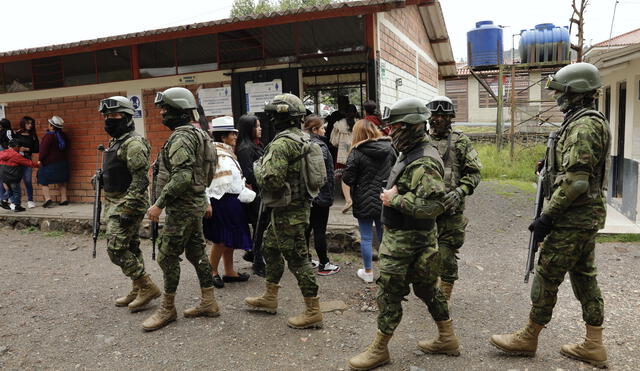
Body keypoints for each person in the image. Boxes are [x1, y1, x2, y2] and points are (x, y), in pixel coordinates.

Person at [490, 62, 611, 369]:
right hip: (584, 217)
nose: (558, 99)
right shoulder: (582, 121)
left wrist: (547, 217)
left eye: (562, 92)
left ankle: (529, 337)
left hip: (572, 218)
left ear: (576, 93)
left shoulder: (583, 126)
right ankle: (594, 345)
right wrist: (549, 168)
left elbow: (578, 181)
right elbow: (573, 170)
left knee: (547, 274)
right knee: (584, 277)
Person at [348, 98, 459, 370]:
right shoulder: (409, 152)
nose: (390, 131)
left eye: (396, 126)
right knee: (426, 289)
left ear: (411, 127)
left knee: (388, 293)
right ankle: (448, 338)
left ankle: (380, 349)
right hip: (409, 239)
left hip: (407, 242)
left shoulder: (423, 161)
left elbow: (434, 205)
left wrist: (394, 200)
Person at [244, 93, 323, 329]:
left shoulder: (282, 143)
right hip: (292, 208)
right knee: (270, 248)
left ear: (279, 117)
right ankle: (270, 297)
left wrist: (257, 168)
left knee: (298, 260)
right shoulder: (304, 138)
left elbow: (271, 181)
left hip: (288, 212)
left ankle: (313, 311)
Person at [144, 87, 219, 331]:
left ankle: (167, 308)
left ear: (179, 111)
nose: (163, 114)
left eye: (166, 109)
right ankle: (209, 302)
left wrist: (158, 204)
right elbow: (201, 173)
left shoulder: (181, 137)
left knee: (167, 255)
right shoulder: (201, 134)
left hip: (183, 207)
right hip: (195, 204)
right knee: (197, 252)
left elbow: (183, 176)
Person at [97, 96, 161, 312]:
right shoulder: (116, 142)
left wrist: (129, 207)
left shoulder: (134, 143)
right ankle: (138, 289)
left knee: (115, 248)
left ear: (125, 117)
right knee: (131, 246)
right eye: (106, 116)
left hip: (128, 202)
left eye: (114, 116)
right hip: (114, 200)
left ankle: (147, 285)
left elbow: (141, 179)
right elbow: (117, 171)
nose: (109, 120)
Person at [426, 96, 482, 303]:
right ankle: (429, 288)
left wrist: (460, 192)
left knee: (447, 254)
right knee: (426, 254)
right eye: (435, 115)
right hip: (424, 210)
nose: (438, 119)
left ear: (451, 118)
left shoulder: (460, 141)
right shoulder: (421, 140)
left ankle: (443, 298)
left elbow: (474, 172)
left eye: (443, 115)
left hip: (451, 211)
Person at [342, 119, 395, 283]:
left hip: (363, 199)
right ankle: (387, 271)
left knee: (365, 237)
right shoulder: (390, 148)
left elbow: (348, 178)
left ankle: (368, 272)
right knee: (383, 236)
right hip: (384, 197)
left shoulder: (357, 152)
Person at [204, 116, 253, 289]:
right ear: (223, 137)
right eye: (232, 133)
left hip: (232, 200)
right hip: (220, 201)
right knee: (221, 239)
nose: (235, 136)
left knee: (229, 238)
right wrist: (206, 202)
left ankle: (229, 271)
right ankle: (212, 272)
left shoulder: (227, 152)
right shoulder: (214, 153)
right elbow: (205, 180)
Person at [303, 115, 339, 276]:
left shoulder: (303, 144)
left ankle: (307, 259)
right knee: (319, 230)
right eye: (322, 128)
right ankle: (324, 264)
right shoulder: (320, 147)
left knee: (308, 228)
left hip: (308, 195)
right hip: (320, 195)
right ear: (314, 130)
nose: (325, 130)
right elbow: (322, 173)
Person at [235, 114, 267, 277]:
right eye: (256, 126)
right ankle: (258, 262)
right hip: (254, 194)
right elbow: (249, 173)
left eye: (260, 125)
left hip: (259, 192)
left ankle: (253, 254)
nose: (260, 129)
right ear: (249, 129)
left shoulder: (256, 145)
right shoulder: (245, 149)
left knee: (260, 227)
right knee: (259, 227)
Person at [37, 116, 69, 207]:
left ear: (52, 126)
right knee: (62, 181)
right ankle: (64, 199)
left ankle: (48, 199)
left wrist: (40, 160)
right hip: (62, 163)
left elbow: (43, 150)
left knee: (43, 180)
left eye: (49, 124)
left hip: (50, 163)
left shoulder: (48, 136)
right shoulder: (63, 136)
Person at [330, 104, 358, 213]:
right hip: (356, 152)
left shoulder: (338, 124)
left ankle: (347, 198)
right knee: (357, 173)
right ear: (356, 112)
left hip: (343, 153)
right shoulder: (359, 123)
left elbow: (333, 141)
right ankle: (355, 195)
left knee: (344, 175)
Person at [0, 139, 39, 212]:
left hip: (4, 177)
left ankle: (3, 200)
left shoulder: (2, 153)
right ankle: (17, 206)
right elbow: (28, 163)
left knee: (10, 190)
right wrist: (38, 165)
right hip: (13, 177)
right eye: (20, 147)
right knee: (17, 192)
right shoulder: (16, 155)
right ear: (16, 147)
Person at [14, 116, 39, 208]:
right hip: (16, 160)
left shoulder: (33, 135)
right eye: (28, 123)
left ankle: (30, 200)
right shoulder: (16, 133)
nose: (30, 125)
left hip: (27, 159)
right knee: (16, 181)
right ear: (23, 123)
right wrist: (19, 148)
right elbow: (11, 145)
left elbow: (36, 149)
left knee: (27, 180)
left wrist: (26, 148)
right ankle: (15, 201)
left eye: (31, 123)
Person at [0, 119, 14, 204]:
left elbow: (11, 140)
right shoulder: (6, 131)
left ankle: (5, 198)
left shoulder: (7, 131)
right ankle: (5, 198)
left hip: (5, 156)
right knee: (4, 179)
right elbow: (11, 140)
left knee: (5, 179)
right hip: (4, 156)